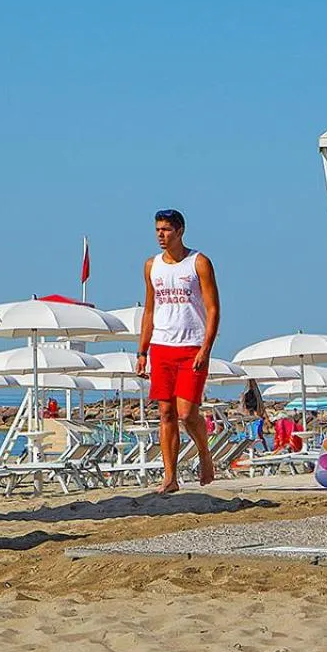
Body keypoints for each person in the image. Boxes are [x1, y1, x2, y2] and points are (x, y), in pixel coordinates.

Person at [136, 208, 221, 494]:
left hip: (192, 346)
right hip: (161, 346)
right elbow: (149, 310)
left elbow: (212, 308)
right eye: (158, 229)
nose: (161, 235)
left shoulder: (199, 263)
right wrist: (142, 352)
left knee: (187, 413)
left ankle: (205, 454)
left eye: (166, 230)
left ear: (180, 231)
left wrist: (206, 348)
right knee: (166, 412)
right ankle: (170, 477)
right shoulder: (152, 265)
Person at [241, 378, 269, 449]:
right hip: (257, 444)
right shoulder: (258, 418)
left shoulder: (248, 419)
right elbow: (259, 435)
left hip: (251, 445)